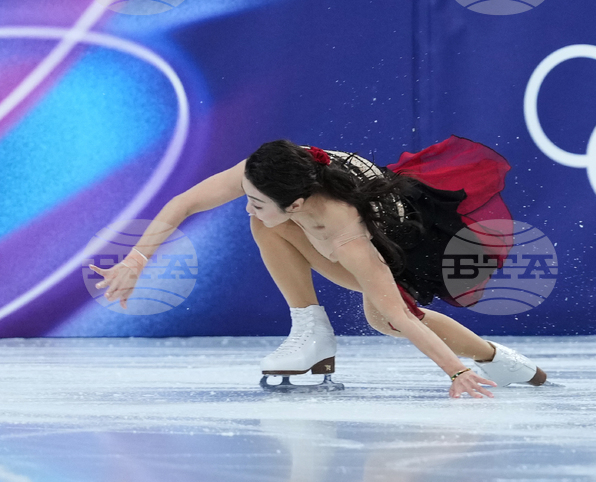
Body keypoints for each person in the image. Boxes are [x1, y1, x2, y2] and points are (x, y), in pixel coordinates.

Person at [89, 135, 547, 398]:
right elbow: (185, 202)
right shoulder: (270, 171)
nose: (246, 205)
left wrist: (457, 372)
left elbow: (407, 320)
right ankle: (310, 327)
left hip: (400, 241)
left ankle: (492, 358)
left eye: (257, 200)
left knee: (387, 319)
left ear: (298, 203)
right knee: (263, 227)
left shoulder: (347, 237)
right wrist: (137, 257)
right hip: (330, 218)